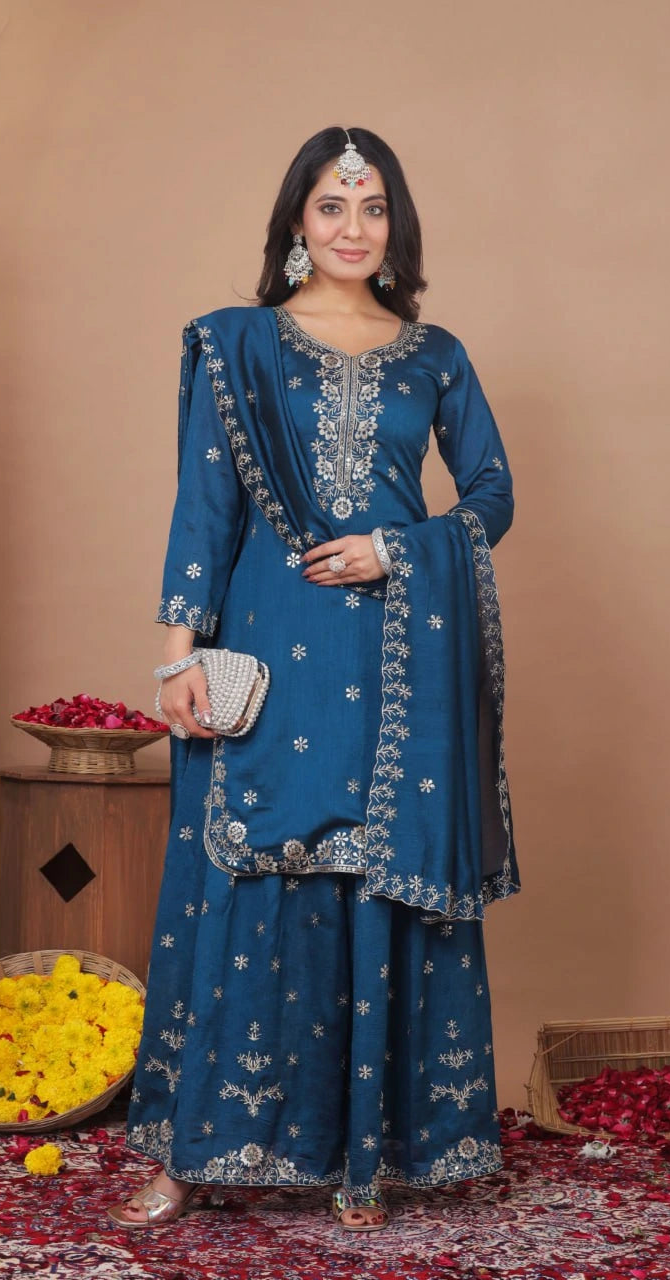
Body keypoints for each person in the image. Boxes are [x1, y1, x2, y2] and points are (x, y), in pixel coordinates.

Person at [107, 125, 521, 1233]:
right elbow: (203, 509)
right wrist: (174, 651)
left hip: (395, 658)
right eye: (332, 205)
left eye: (373, 205)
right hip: (270, 644)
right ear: (296, 220)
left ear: (396, 224)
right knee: (242, 877)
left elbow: (489, 493)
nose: (352, 226)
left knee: (374, 880)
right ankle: (196, 1148)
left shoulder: (433, 353)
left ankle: (364, 1159)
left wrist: (401, 547)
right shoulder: (238, 344)